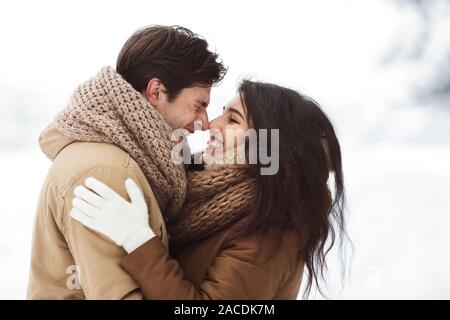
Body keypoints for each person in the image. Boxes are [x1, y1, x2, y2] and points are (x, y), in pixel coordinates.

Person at [71, 80, 348, 299]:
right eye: (222, 114)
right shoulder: (206, 196)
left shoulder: (273, 232)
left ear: (267, 145)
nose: (211, 125)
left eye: (233, 120)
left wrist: (138, 239)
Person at [27, 25, 226, 299]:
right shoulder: (107, 172)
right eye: (199, 105)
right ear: (156, 92)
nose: (204, 123)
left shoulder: (122, 158)